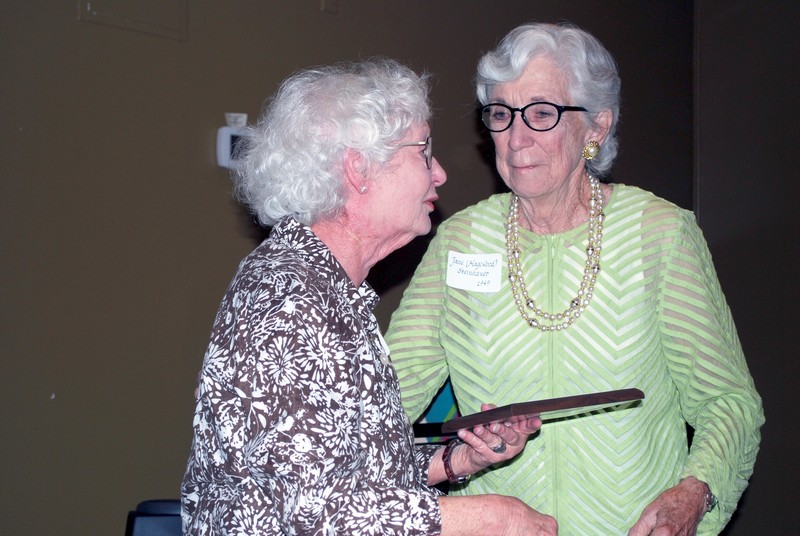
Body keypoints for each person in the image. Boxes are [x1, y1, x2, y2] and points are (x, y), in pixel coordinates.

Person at [385, 23, 764, 536]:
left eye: (541, 113)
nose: (516, 138)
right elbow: (380, 402)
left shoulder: (659, 235)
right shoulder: (460, 242)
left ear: (596, 127)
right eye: (501, 114)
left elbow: (729, 404)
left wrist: (693, 495)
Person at [181, 58, 558, 535]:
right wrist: (492, 517)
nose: (439, 173)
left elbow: (355, 477)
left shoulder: (333, 291)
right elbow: (314, 516)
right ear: (359, 169)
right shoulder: (289, 301)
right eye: (423, 152)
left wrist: (459, 459)